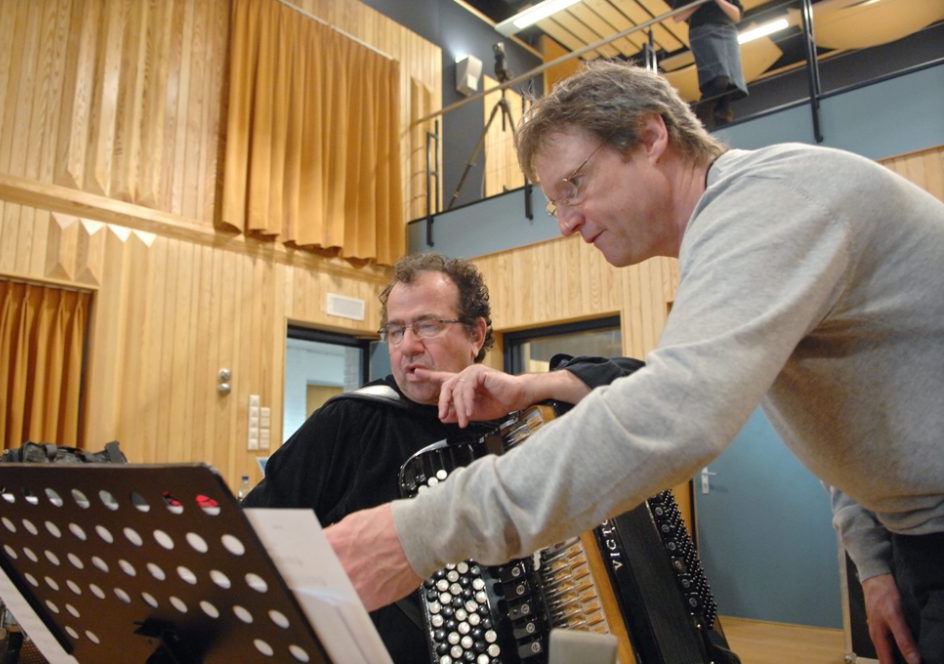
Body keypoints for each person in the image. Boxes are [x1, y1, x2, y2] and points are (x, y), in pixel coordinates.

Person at [324, 61, 944, 664]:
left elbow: (675, 415)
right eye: (553, 202)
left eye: (574, 185)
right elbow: (847, 409)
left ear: (651, 137)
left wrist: (415, 534)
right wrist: (877, 561)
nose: (566, 222)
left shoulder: (769, 200)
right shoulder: (739, 224)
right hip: (914, 539)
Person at [242, 252, 628, 662]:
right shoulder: (351, 421)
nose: (408, 346)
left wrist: (531, 386)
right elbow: (257, 534)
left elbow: (647, 387)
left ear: (476, 335)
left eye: (427, 325)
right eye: (395, 331)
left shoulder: (526, 418)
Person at [672, 0, 748, 127]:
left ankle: (722, 118)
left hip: (728, 31)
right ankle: (695, 124)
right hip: (703, 29)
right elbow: (678, 17)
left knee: (731, 84)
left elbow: (736, 16)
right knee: (719, 79)